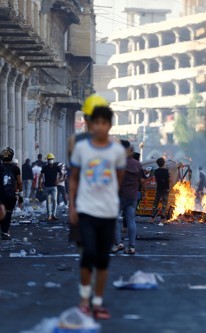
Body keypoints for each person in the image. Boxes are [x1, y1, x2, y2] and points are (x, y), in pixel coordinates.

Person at [69, 105, 126, 319]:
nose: (100, 127)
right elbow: (74, 177)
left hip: (108, 212)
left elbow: (118, 180)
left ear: (109, 126)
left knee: (103, 259)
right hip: (86, 210)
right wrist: (72, 206)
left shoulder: (117, 151)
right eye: (96, 123)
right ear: (90, 125)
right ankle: (84, 299)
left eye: (105, 123)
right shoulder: (82, 150)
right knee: (88, 254)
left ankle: (98, 301)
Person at [113, 140, 144, 254]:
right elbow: (142, 180)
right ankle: (131, 247)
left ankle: (118, 244)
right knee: (131, 221)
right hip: (132, 196)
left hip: (119, 196)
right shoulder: (137, 164)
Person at [1, 148, 23, 240]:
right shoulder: (15, 168)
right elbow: (19, 183)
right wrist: (20, 196)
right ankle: (5, 232)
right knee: (8, 213)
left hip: (0, 195)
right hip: (11, 195)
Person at [39, 153, 62, 221]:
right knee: (48, 202)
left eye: (51, 159)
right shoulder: (45, 168)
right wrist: (39, 185)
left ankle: (53, 215)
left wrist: (58, 180)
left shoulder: (56, 167)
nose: (50, 160)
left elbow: (61, 174)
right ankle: (49, 215)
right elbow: (41, 176)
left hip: (54, 187)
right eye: (49, 159)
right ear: (47, 160)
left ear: (53, 159)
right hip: (46, 187)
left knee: (55, 200)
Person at [150, 157, 170, 223]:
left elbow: (156, 180)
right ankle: (162, 219)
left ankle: (152, 218)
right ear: (164, 163)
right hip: (166, 189)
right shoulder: (167, 171)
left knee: (155, 203)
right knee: (164, 204)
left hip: (159, 188)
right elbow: (169, 180)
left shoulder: (156, 171)